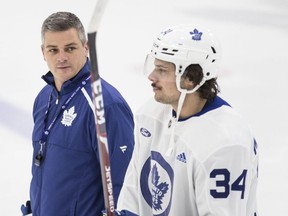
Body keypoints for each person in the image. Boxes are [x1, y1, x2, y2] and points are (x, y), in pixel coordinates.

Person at [112, 24, 259, 215]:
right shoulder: (151, 113)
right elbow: (133, 196)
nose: (151, 76)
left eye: (162, 70)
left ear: (191, 77)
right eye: (153, 66)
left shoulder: (225, 144)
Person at [21, 11, 134, 216]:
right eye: (53, 50)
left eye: (70, 48)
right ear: (43, 52)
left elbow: (126, 186)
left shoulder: (105, 105)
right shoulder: (44, 98)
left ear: (85, 48)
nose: (61, 57)